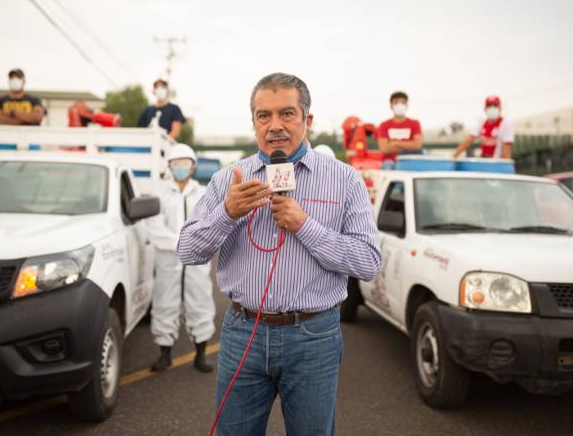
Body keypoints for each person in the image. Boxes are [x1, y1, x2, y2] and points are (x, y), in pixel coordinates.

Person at [177, 72, 381, 435]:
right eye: (263, 115)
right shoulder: (230, 180)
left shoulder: (344, 180)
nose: (275, 126)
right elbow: (188, 250)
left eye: (287, 114)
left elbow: (368, 262)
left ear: (308, 120)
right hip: (242, 332)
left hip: (313, 336)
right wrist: (227, 213)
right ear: (253, 121)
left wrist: (305, 225)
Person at [144, 143, 216, 373]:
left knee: (200, 303)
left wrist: (195, 245)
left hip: (197, 261)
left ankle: (201, 354)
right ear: (170, 167)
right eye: (177, 164)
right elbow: (154, 228)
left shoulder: (205, 194)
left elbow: (210, 225)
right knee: (165, 303)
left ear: (193, 166)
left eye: (185, 163)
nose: (181, 168)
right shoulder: (160, 193)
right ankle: (165, 354)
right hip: (168, 261)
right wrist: (181, 243)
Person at [375, 91, 423, 163]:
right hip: (389, 162)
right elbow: (384, 149)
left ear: (407, 105)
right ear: (391, 106)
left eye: (403, 102)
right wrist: (409, 146)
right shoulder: (384, 125)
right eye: (396, 102)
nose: (399, 105)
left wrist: (395, 143)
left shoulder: (415, 123)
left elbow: (417, 145)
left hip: (411, 161)